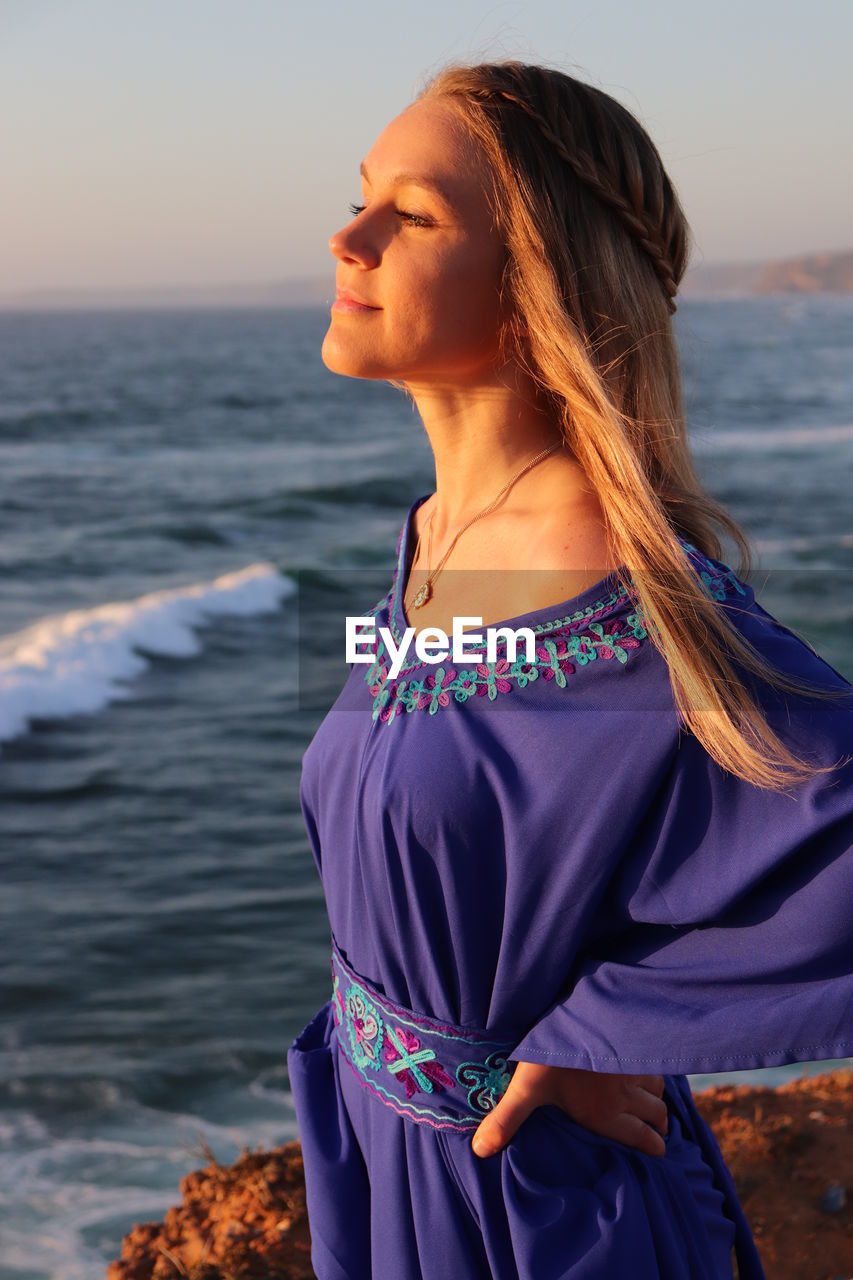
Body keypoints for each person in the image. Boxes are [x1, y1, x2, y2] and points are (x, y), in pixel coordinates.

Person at [287, 59, 853, 1280]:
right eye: (361, 196)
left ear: (535, 279)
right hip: (387, 1165)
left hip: (538, 1210)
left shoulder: (618, 594)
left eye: (414, 215)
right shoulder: (439, 536)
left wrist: (606, 1028)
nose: (349, 236)